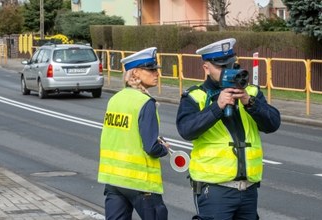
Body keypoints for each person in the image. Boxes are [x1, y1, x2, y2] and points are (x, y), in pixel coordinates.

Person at [176, 38, 281, 220]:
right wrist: (217, 107)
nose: (228, 70)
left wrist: (249, 102)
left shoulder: (251, 93)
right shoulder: (195, 96)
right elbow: (186, 130)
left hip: (248, 190)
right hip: (214, 190)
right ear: (206, 68)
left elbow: (273, 124)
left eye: (232, 64)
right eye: (221, 66)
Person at [98, 47, 170, 220]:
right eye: (151, 69)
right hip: (140, 182)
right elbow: (151, 147)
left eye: (156, 69)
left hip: (114, 180)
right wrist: (164, 149)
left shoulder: (115, 99)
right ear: (136, 73)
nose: (156, 73)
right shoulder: (146, 102)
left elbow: (122, 135)